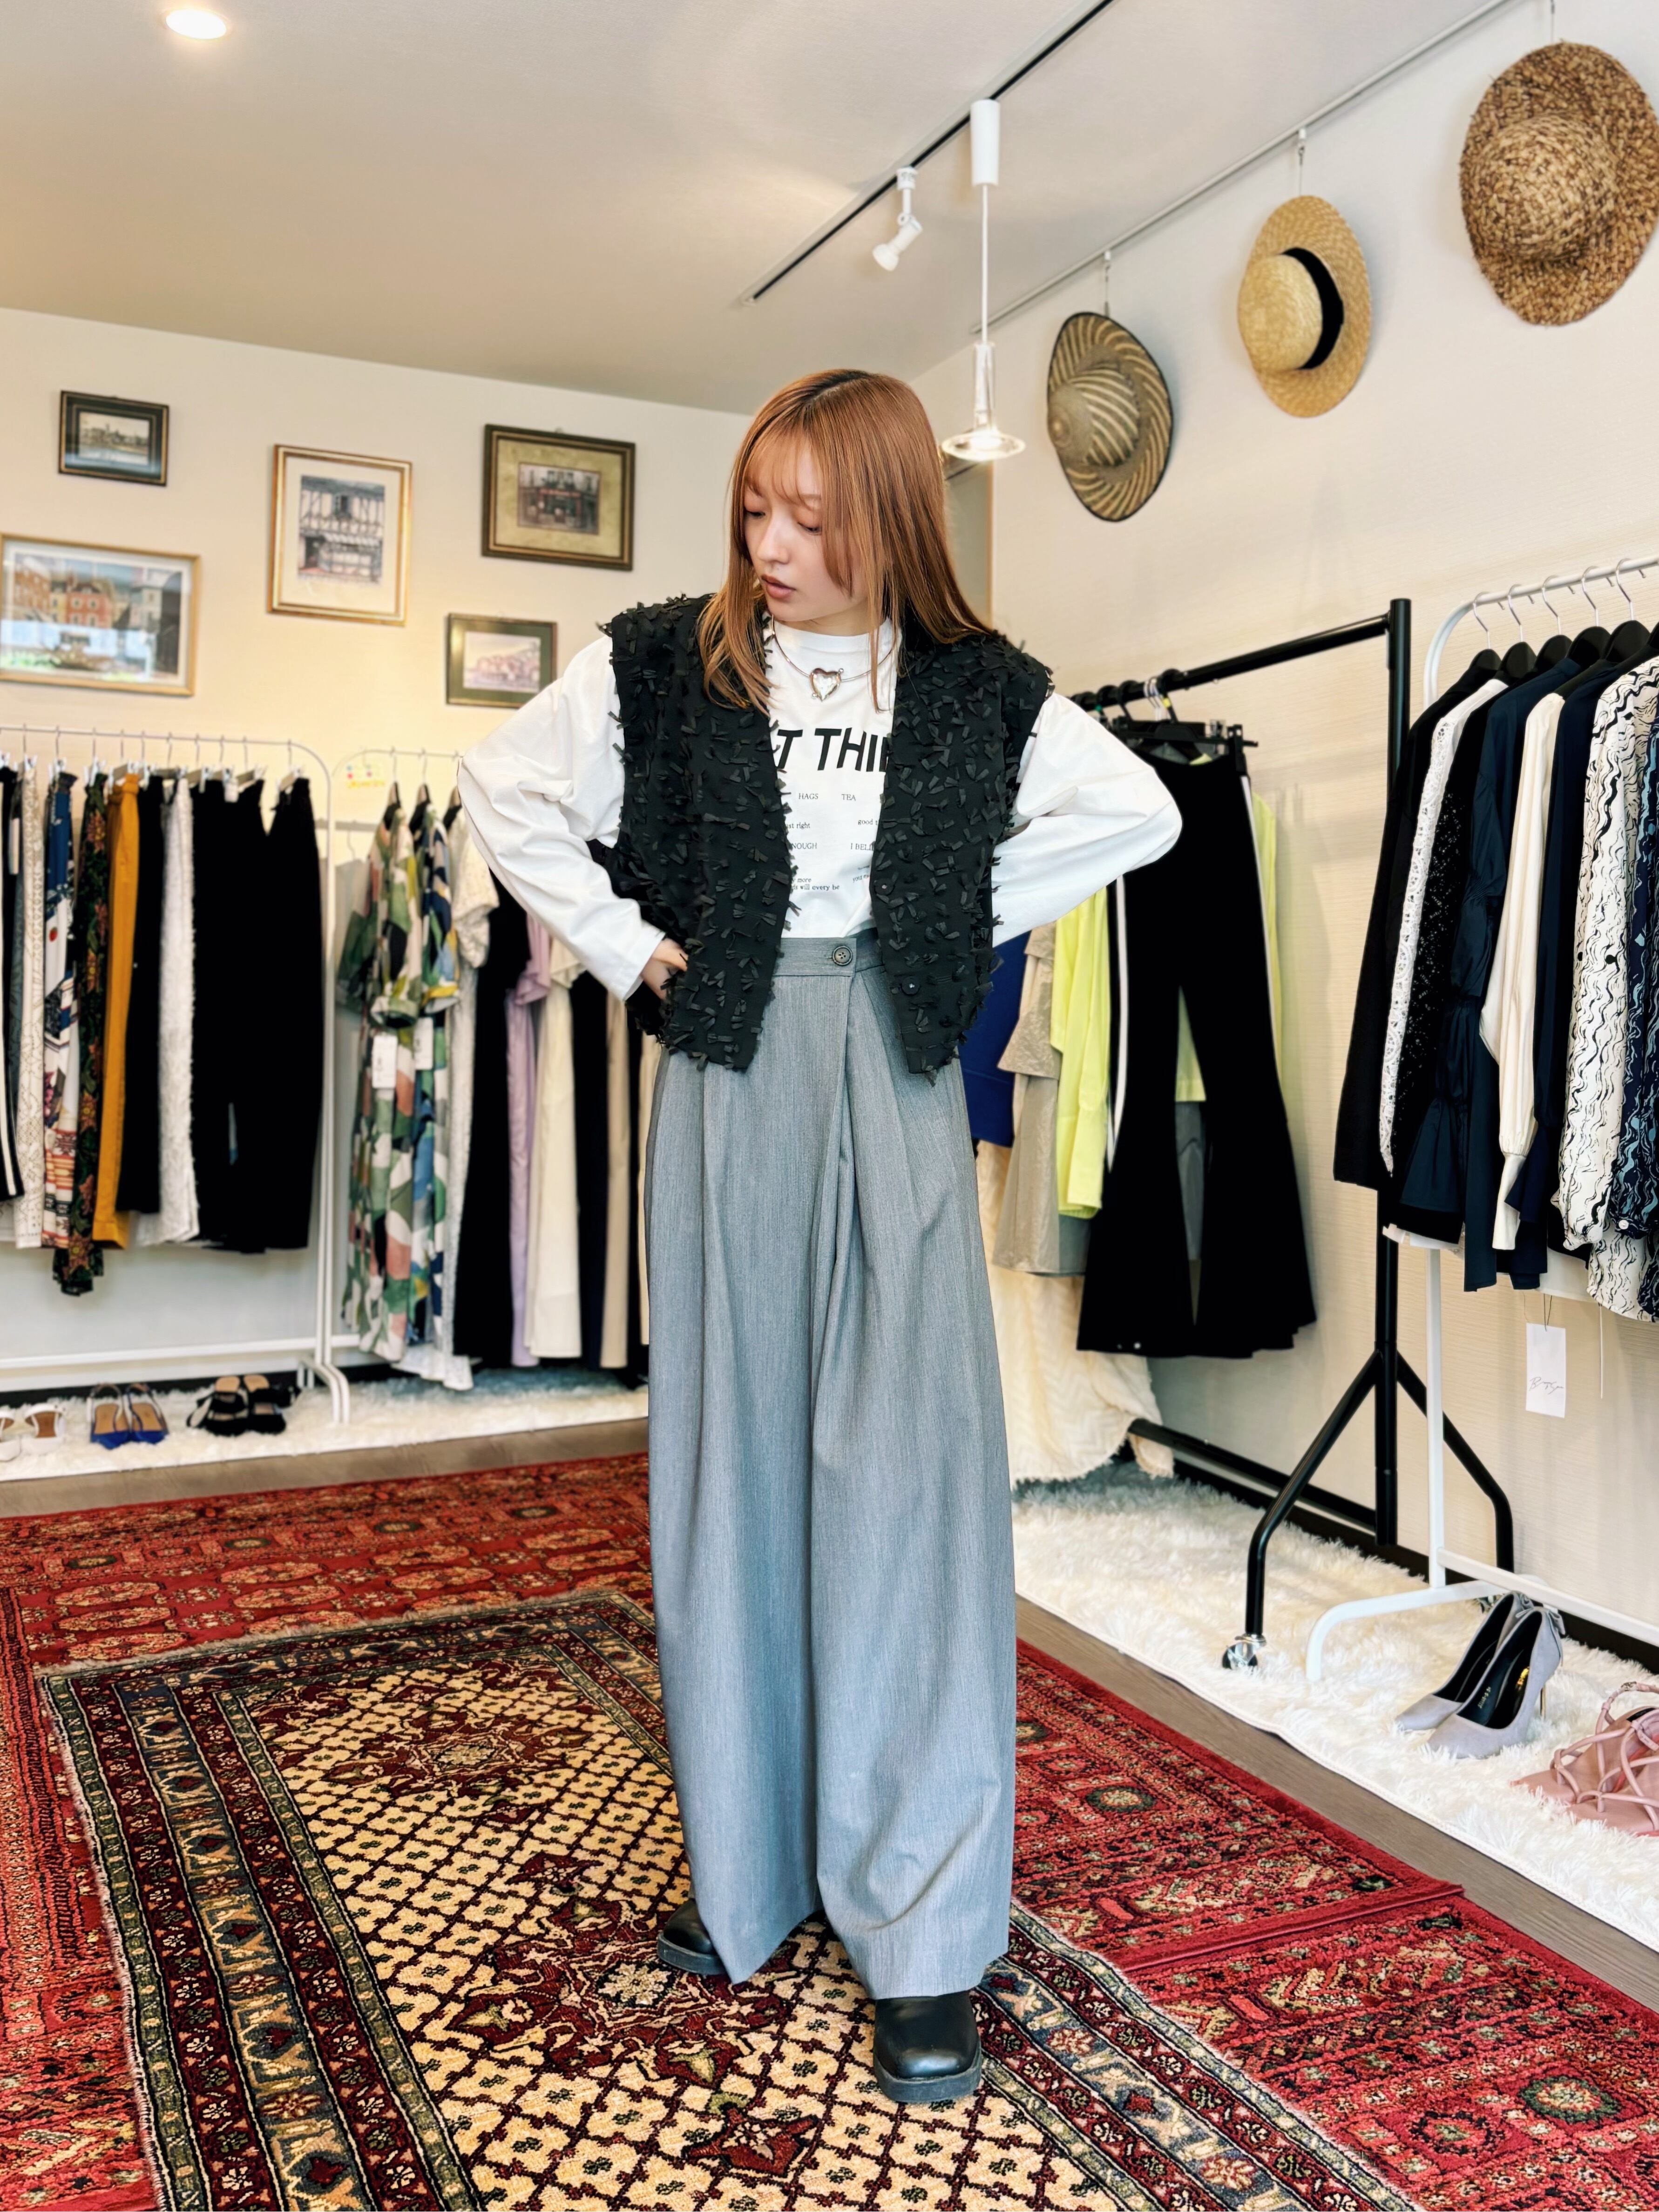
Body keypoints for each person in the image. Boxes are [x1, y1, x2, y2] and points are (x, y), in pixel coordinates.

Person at [460, 367, 1180, 2105]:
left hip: (899, 1055)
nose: (770, 547)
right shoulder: (666, 660)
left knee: (908, 1479)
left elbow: (1139, 814)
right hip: (731, 1058)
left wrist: (947, 903)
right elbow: (503, 786)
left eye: (808, 516)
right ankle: (751, 1866)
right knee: (734, 1463)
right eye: (753, 510)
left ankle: (922, 1926)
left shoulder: (975, 686)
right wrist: (627, 948)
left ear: (889, 519)